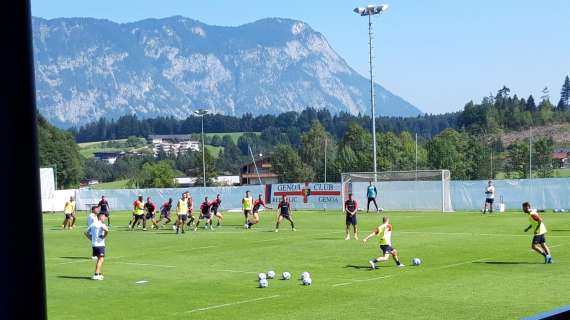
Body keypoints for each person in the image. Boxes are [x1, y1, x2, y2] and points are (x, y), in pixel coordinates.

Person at [84, 209, 109, 280]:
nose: (105, 218)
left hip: (94, 245)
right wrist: (104, 236)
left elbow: (85, 232)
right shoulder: (101, 224)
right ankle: (96, 274)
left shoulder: (93, 224)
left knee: (99, 259)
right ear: (100, 216)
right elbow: (107, 231)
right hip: (100, 245)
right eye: (104, 216)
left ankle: (99, 273)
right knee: (101, 259)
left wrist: (91, 239)